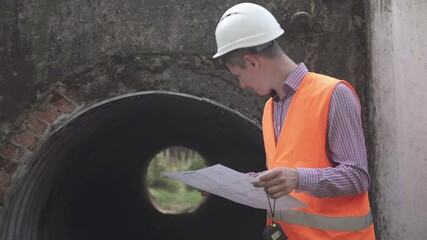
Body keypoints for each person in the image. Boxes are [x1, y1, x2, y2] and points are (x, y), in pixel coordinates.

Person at [211, 2, 375, 240]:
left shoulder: (333, 93)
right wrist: (225, 185)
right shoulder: (271, 109)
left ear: (253, 61)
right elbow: (281, 176)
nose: (242, 85)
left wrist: (298, 178)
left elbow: (358, 177)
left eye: (239, 75)